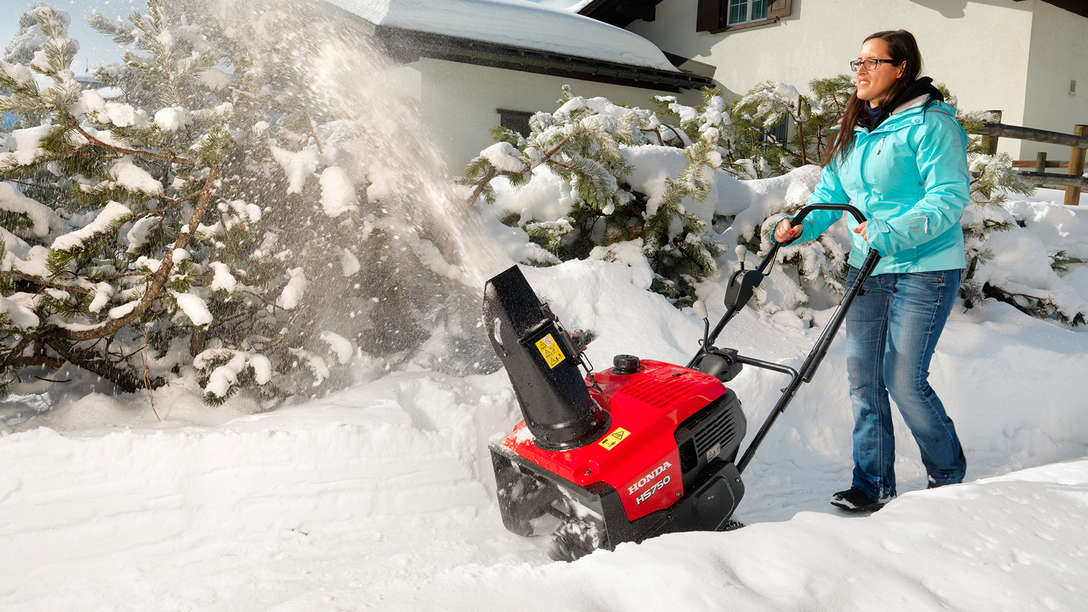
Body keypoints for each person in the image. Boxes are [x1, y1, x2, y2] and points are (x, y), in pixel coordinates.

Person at [773, 29, 968, 512]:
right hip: (870, 269)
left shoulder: (931, 124)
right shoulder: (857, 130)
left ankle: (948, 477)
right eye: (856, 62)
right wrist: (801, 225)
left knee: (904, 380)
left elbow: (947, 196)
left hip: (925, 267)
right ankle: (872, 482)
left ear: (900, 68)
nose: (859, 71)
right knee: (863, 379)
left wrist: (891, 231)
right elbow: (833, 195)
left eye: (870, 62)